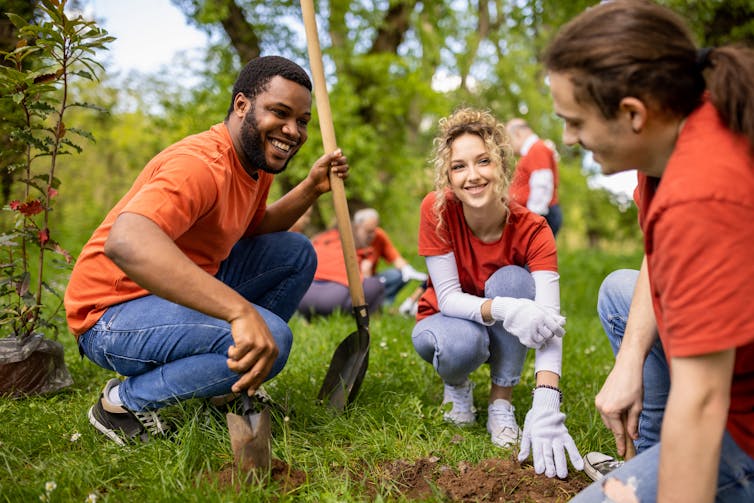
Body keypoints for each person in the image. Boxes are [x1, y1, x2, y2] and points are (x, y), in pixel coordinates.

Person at [64, 55, 350, 446]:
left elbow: (253, 231)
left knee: (296, 252)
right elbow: (125, 241)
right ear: (242, 106)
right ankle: (122, 404)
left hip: (173, 291)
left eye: (301, 120)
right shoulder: (199, 165)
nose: (293, 131)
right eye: (280, 113)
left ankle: (227, 387)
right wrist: (239, 311)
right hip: (111, 315)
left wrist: (310, 188)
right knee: (274, 340)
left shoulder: (254, 162)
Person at [543, 1, 754, 501]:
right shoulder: (673, 135)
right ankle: (652, 455)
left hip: (741, 419)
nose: (569, 139)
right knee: (621, 291)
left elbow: (703, 400)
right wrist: (629, 359)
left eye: (575, 122)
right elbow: (658, 260)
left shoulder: (700, 194)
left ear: (633, 113)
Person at [411, 107, 583, 479]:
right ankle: (457, 385)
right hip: (448, 319)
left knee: (516, 282)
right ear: (449, 176)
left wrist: (547, 401)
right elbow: (449, 297)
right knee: (463, 343)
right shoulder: (436, 210)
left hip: (496, 312)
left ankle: (501, 402)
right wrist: (508, 309)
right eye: (459, 166)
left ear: (502, 165)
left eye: (483, 161)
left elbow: (549, 323)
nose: (472, 176)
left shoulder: (535, 229)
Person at [297, 207, 427, 318]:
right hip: (335, 295)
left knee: (394, 276)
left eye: (374, 230)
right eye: (368, 231)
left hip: (302, 297)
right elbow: (361, 279)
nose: (372, 235)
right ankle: (374, 310)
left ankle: (381, 304)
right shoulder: (350, 243)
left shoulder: (323, 238)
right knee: (375, 284)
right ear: (356, 226)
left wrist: (408, 269)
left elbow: (395, 257)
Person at [506, 119, 562, 237]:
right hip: (537, 215)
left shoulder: (537, 149)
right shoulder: (533, 151)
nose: (510, 145)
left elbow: (542, 184)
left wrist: (532, 219)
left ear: (518, 133)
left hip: (541, 214)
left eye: (510, 140)